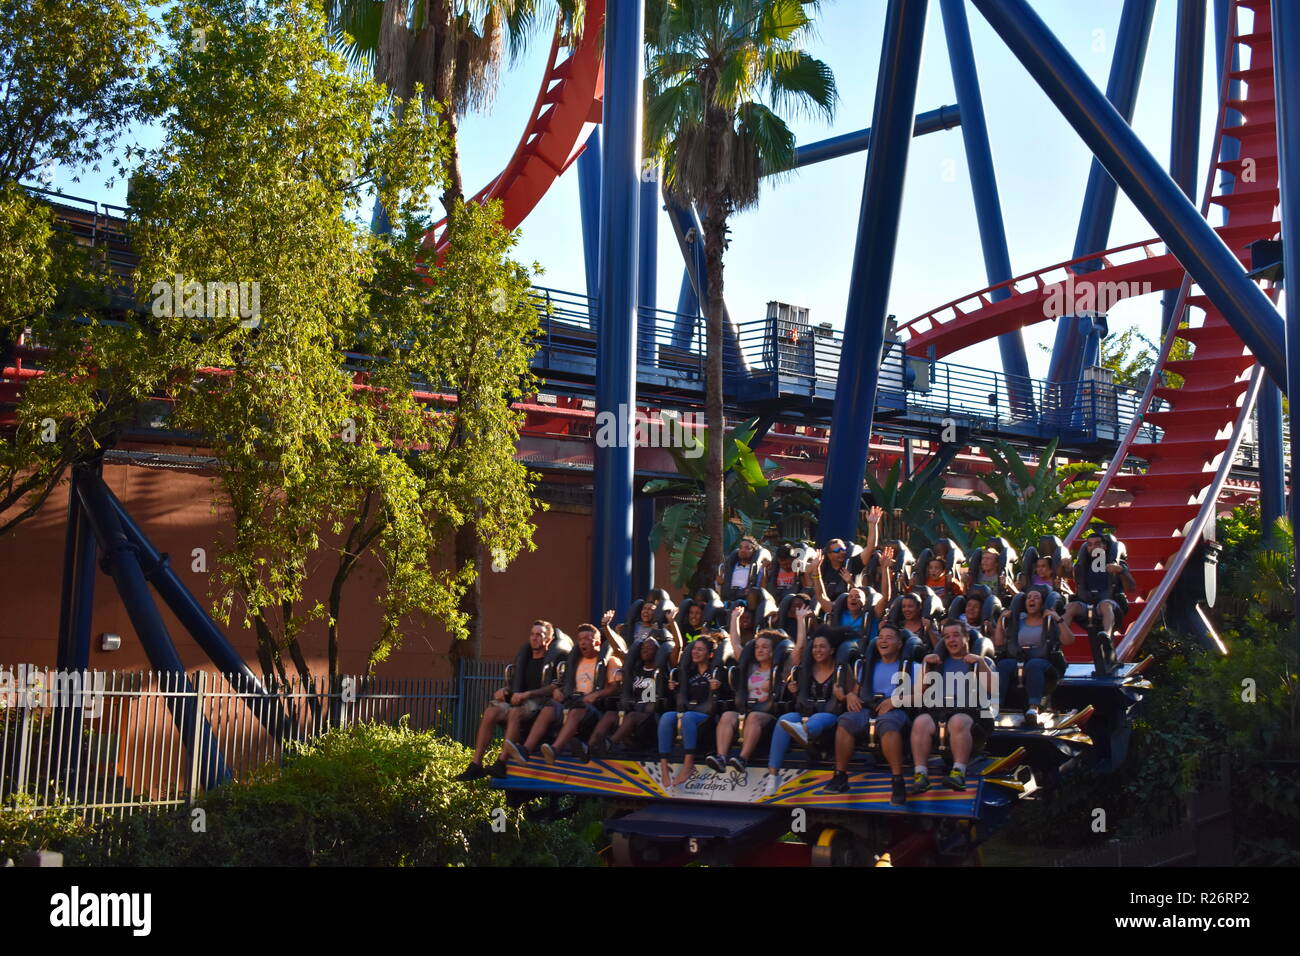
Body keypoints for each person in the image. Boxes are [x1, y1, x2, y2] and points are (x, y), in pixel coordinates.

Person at [455, 620, 559, 781]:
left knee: (515, 712)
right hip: (519, 700)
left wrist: (528, 694)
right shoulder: (525, 658)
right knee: (491, 711)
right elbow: (514, 685)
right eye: (532, 634)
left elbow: (553, 687)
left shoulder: (554, 660)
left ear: (549, 639)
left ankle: (502, 762)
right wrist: (505, 690)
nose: (534, 638)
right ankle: (476, 765)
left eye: (539, 635)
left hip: (538, 702)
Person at [823, 623, 913, 804]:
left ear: (900, 644)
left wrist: (895, 701)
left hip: (896, 708)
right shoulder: (867, 666)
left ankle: (897, 780)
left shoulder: (912, 666)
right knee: (846, 720)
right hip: (869, 708)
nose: (883, 640)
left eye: (889, 637)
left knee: (887, 724)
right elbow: (856, 691)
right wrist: (849, 696)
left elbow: (921, 695)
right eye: (880, 637)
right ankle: (840, 776)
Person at [509, 624, 621, 764]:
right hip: (573, 703)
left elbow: (615, 688)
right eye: (580, 639)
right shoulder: (575, 661)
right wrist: (557, 690)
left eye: (587, 639)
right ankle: (526, 750)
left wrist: (596, 695)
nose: (583, 642)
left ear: (597, 642)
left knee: (578, 708)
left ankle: (555, 749)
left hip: (595, 710)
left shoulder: (610, 661)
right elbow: (564, 685)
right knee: (550, 707)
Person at [908, 620, 994, 794]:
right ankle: (921, 775)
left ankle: (958, 772)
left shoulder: (981, 662)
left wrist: (981, 662)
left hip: (972, 712)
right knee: (920, 722)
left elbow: (993, 688)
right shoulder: (937, 663)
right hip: (940, 710)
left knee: (957, 721)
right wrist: (925, 664)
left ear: (966, 637)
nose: (951, 640)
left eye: (956, 635)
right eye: (947, 637)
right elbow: (919, 693)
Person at [707, 608, 788, 774]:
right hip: (747, 710)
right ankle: (721, 757)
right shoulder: (751, 666)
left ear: (774, 651)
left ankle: (743, 759)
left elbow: (799, 649)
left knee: (753, 717)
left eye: (765, 647)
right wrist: (735, 619)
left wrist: (802, 622)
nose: (759, 650)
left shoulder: (780, 669)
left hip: (767, 714)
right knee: (727, 715)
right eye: (757, 647)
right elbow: (735, 644)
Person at [760, 605, 828, 795]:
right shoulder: (805, 667)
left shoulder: (839, 668)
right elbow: (799, 648)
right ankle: (773, 776)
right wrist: (800, 621)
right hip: (806, 711)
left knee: (818, 719)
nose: (818, 650)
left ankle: (805, 733)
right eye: (815, 647)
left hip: (828, 713)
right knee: (784, 720)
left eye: (822, 647)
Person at [657, 634, 726, 789]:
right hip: (689, 710)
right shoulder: (689, 672)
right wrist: (673, 688)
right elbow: (682, 698)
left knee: (688, 717)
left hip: (707, 717)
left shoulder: (717, 671)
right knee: (667, 717)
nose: (695, 652)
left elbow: (727, 695)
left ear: (710, 654)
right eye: (694, 649)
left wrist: (720, 687)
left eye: (700, 650)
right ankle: (664, 766)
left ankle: (688, 765)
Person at [1062, 532, 1136, 675]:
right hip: (1086, 605)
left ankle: (1106, 636)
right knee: (1071, 607)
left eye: (1097, 544)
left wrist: (1121, 571)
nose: (1093, 547)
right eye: (1089, 544)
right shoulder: (1083, 565)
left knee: (1105, 605)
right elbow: (1064, 574)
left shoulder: (1115, 563)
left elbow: (1132, 587)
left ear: (1105, 546)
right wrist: (1064, 564)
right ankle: (1055, 638)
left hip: (1110, 605)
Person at [994, 589, 1069, 726]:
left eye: (1036, 597)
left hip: (1045, 662)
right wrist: (1000, 621)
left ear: (1043, 603)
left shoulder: (1049, 620)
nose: (1032, 600)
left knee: (1033, 664)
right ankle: (995, 706)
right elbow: (999, 643)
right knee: (1003, 665)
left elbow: (1069, 640)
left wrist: (1057, 618)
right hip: (1019, 659)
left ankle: (1033, 708)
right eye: (1029, 597)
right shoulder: (1018, 621)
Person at [591, 634, 668, 755]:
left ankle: (609, 744)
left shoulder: (660, 672)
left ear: (657, 652)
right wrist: (606, 628)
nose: (645, 650)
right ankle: (590, 747)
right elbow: (618, 650)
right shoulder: (637, 669)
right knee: (610, 714)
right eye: (643, 648)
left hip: (650, 716)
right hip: (634, 709)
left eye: (649, 648)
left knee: (632, 716)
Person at [718, 536, 766, 601]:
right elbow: (719, 586)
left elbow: (761, 588)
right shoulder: (730, 567)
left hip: (745, 600)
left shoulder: (756, 568)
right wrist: (719, 581)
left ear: (754, 551)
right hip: (728, 597)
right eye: (741, 548)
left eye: (747, 548)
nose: (743, 550)